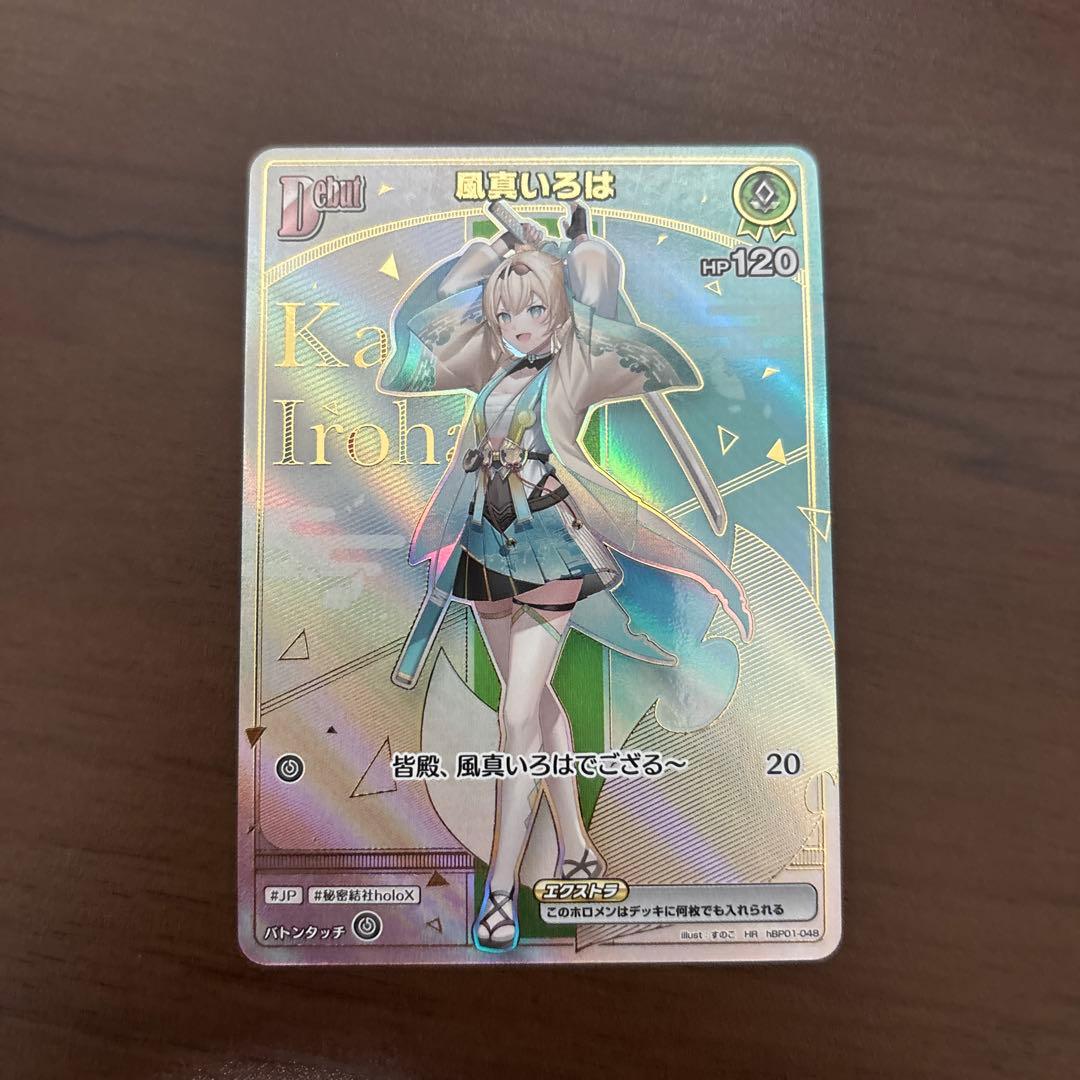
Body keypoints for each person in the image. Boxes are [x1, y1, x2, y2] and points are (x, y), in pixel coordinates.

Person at [377, 204, 752, 951]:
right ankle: (576, 846)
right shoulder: (491, 369)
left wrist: (578, 246)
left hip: (550, 550)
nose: (518, 326)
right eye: (506, 315)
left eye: (534, 311)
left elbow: (598, 285)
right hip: (483, 545)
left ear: (558, 313)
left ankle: (502, 890)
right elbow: (431, 320)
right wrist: (495, 252)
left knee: (517, 718)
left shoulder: (573, 363)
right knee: (539, 709)